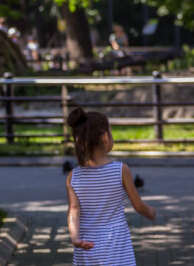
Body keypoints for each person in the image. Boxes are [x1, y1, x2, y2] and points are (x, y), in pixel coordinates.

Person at [66, 107, 155, 266]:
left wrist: (75, 238)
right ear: (106, 137)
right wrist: (150, 212)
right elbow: (138, 205)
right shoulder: (121, 170)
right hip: (116, 245)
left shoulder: (73, 176)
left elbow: (74, 210)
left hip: (86, 246)